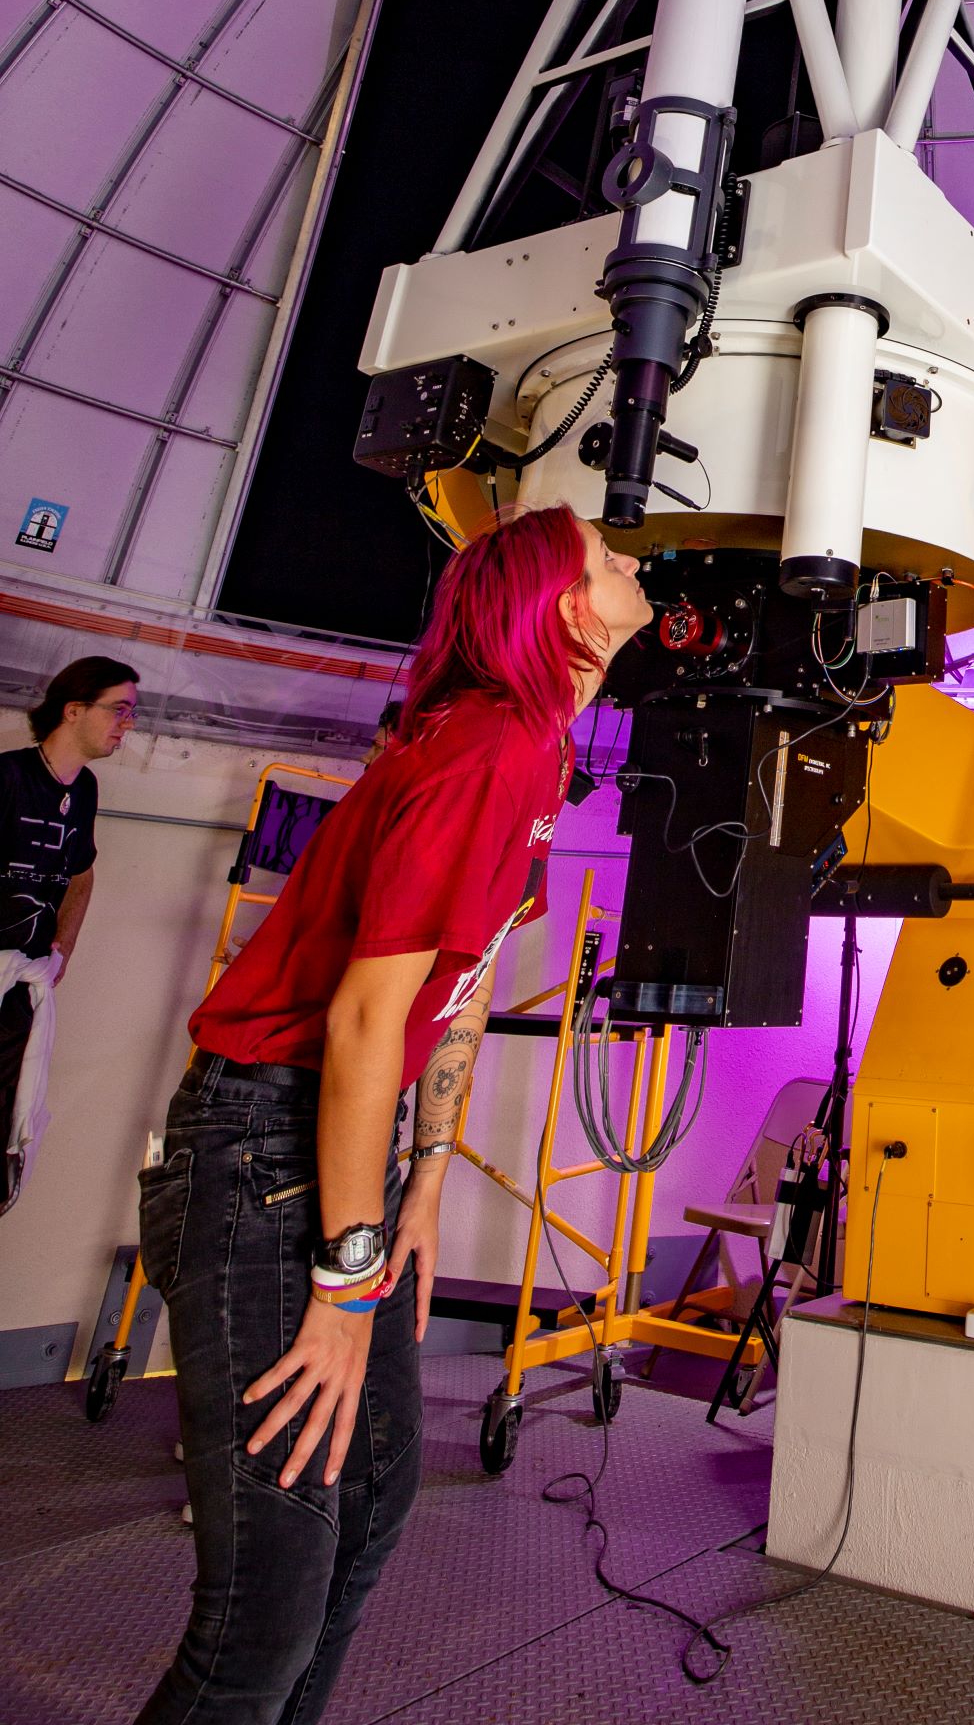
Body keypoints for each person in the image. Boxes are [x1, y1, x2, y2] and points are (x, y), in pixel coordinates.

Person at [132, 507, 650, 1725]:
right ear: (570, 611)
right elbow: (367, 1020)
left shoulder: (535, 750)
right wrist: (345, 1282)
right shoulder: (490, 748)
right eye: (608, 558)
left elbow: (458, 982)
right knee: (264, 1602)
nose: (635, 563)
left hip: (328, 1151)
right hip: (263, 1149)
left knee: (366, 1514)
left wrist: (424, 1187)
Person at [0, 655, 138, 1208]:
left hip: (23, 985)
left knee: (10, 1112)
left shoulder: (84, 791)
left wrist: (65, 946)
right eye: (119, 710)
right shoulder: (8, 777)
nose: (127, 723)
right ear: (73, 709)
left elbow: (81, 871)